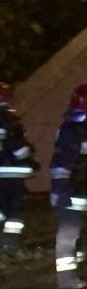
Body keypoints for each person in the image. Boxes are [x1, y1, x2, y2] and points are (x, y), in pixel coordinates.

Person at [49, 83, 87, 289]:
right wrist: (63, 189)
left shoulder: (82, 127)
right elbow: (63, 162)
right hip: (72, 191)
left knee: (77, 235)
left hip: (79, 191)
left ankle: (75, 272)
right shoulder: (73, 128)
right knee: (69, 234)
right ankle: (66, 278)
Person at [0, 82, 39, 253]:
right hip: (10, 173)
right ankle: (10, 244)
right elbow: (18, 148)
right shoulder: (7, 118)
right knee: (15, 210)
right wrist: (30, 158)